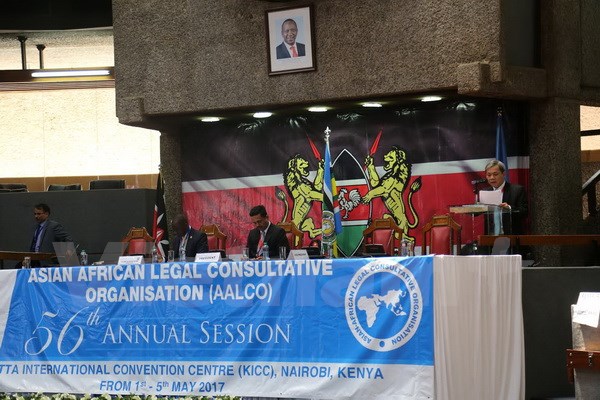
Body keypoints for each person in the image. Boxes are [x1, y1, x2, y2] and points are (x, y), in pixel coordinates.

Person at [483, 159, 528, 234]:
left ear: (503, 174)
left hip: (512, 236)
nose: (492, 177)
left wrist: (509, 208)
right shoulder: (485, 192)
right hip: (490, 237)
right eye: (489, 175)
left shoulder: (517, 190)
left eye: (495, 174)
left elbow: (525, 212)